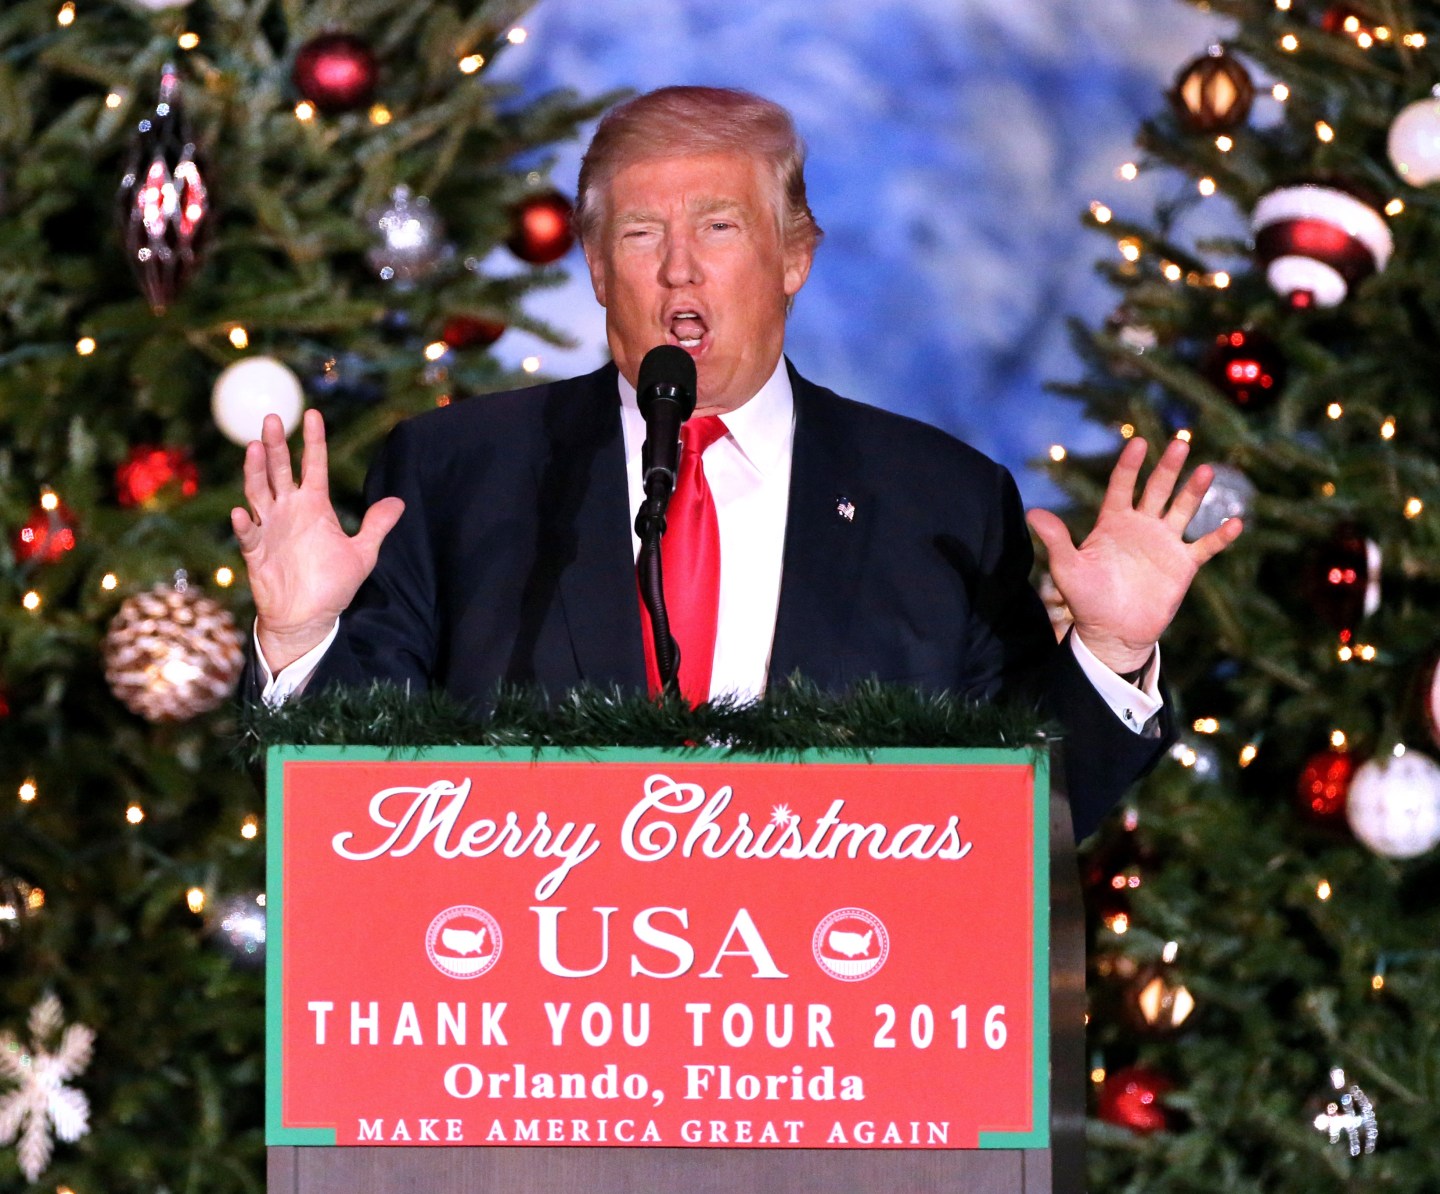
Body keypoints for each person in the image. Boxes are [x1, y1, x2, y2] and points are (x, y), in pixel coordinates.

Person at [232, 86, 1242, 839]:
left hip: (831, 1070)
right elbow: (351, 810)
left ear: (794, 255)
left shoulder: (940, 500)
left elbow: (1032, 817)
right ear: (594, 269)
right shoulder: (457, 473)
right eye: (639, 234)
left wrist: (1108, 654)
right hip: (535, 1074)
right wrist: (301, 636)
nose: (679, 267)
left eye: (719, 227)